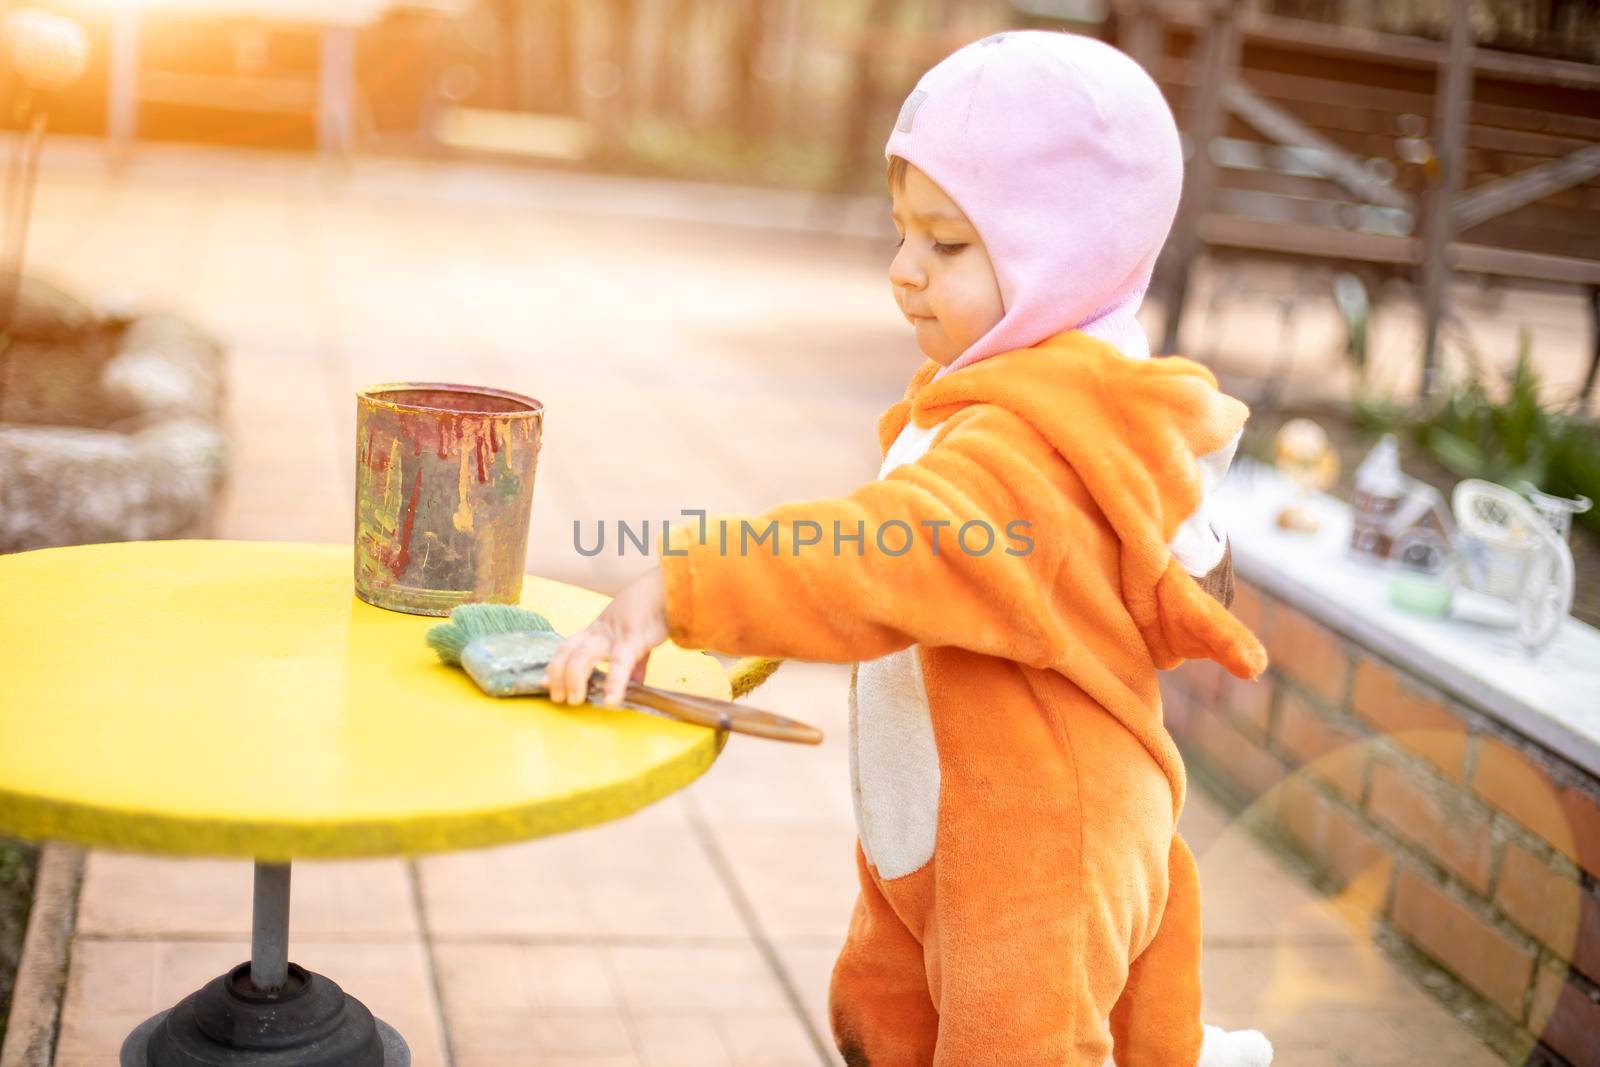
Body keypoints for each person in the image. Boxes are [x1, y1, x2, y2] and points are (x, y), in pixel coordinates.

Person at [545, 29, 1273, 1067]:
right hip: (939, 819)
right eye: (901, 232)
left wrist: (679, 587)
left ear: (1059, 252)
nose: (902, 271)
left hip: (1037, 850)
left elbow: (880, 551)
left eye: (946, 244)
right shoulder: (993, 400)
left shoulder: (1041, 444)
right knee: (883, 1020)